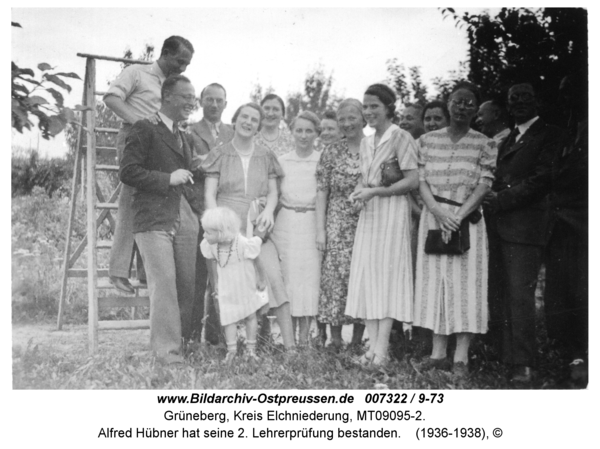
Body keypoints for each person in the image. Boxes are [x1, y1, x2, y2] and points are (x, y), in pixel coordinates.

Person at [412, 81, 497, 377]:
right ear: (448, 104)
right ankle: (437, 353)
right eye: (457, 101)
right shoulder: (426, 141)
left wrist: (458, 216)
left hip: (467, 220)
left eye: (469, 103)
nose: (462, 107)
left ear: (476, 109)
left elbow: (484, 183)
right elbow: (420, 180)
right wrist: (437, 212)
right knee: (436, 282)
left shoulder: (485, 143)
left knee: (465, 286)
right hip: (433, 217)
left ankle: (460, 357)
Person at [483, 82, 566, 383]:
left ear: (537, 102)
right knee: (502, 292)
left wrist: (500, 199)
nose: (518, 102)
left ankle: (524, 363)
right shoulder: (508, 138)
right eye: (512, 98)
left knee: (520, 295)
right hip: (499, 225)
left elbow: (542, 179)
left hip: (525, 227)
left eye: (525, 97)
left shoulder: (550, 133)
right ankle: (504, 353)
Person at [104, 35, 194, 295]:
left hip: (163, 145)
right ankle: (119, 273)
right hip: (137, 140)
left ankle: (145, 272)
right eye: (179, 61)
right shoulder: (137, 73)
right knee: (131, 202)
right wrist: (140, 124)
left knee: (156, 203)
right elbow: (111, 98)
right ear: (165, 53)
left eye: (187, 64)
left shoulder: (174, 85)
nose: (183, 68)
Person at [202, 102, 295, 349]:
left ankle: (290, 347)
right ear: (235, 120)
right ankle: (225, 344)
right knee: (224, 282)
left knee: (272, 276)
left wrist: (267, 211)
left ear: (259, 125)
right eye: (245, 117)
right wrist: (216, 223)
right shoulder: (220, 153)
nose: (249, 122)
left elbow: (274, 193)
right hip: (225, 225)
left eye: (255, 119)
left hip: (256, 225)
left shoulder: (266, 155)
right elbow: (209, 194)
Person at [119, 75, 199, 364]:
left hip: (183, 218)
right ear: (167, 97)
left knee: (187, 285)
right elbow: (128, 172)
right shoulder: (144, 128)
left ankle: (183, 345)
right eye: (186, 97)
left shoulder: (184, 135)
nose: (192, 102)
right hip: (153, 219)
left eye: (193, 97)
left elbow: (188, 173)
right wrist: (168, 178)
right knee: (164, 286)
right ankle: (167, 353)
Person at [345, 84, 419, 366]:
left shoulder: (401, 137)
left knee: (386, 279)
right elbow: (366, 179)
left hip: (391, 211)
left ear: (389, 107)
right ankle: (371, 350)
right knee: (369, 278)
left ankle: (382, 350)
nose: (368, 112)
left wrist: (374, 192)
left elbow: (412, 181)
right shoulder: (366, 142)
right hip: (371, 214)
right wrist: (359, 193)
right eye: (365, 106)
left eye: (374, 106)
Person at [545, 71, 588, 386]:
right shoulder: (566, 132)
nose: (566, 98)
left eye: (571, 90)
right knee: (561, 290)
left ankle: (582, 357)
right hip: (559, 226)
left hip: (585, 225)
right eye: (563, 93)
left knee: (583, 290)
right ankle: (571, 351)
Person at [186, 83, 234, 345]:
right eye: (209, 100)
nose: (214, 105)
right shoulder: (190, 130)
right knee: (198, 276)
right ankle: (192, 337)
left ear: (226, 104)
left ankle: (217, 337)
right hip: (198, 209)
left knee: (224, 275)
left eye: (219, 100)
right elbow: (190, 162)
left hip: (227, 210)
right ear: (201, 102)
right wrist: (217, 158)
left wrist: (208, 159)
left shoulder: (233, 131)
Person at [316, 99, 366, 350]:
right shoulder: (332, 151)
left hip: (367, 221)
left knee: (362, 277)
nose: (346, 123)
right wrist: (321, 231)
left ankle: (357, 339)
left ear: (363, 118)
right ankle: (335, 338)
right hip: (336, 222)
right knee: (335, 278)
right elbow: (322, 192)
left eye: (351, 117)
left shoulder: (375, 148)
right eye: (342, 119)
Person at [270, 111, 322, 346]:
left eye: (308, 131)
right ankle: (288, 338)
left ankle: (305, 338)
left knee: (309, 279)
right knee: (289, 278)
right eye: (299, 130)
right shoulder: (282, 161)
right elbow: (275, 195)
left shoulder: (322, 160)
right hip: (287, 223)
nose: (303, 135)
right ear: (291, 132)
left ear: (316, 134)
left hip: (312, 222)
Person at [200, 207, 266, 363]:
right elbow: (214, 262)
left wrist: (261, 278)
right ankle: (231, 351)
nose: (204, 235)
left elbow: (257, 258)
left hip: (244, 284)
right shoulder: (210, 245)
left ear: (222, 232)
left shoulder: (241, 243)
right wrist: (215, 282)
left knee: (250, 315)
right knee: (229, 318)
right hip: (227, 287)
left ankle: (250, 350)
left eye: (208, 232)